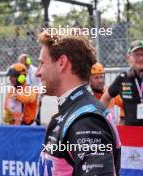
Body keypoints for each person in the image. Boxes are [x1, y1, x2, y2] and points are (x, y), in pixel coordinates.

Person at [36, 32, 121, 175]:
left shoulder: (86, 120)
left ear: (62, 63)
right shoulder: (70, 112)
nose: (37, 72)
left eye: (42, 63)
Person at [101, 40, 143, 126]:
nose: (141, 58)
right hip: (131, 132)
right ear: (128, 57)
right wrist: (99, 120)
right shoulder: (122, 79)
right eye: (136, 55)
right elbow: (105, 98)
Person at [18, 54, 43, 125]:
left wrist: (40, 94)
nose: (20, 64)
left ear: (27, 61)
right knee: (25, 117)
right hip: (25, 97)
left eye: (21, 61)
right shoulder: (21, 73)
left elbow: (41, 83)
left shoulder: (35, 71)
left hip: (35, 97)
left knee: (36, 117)